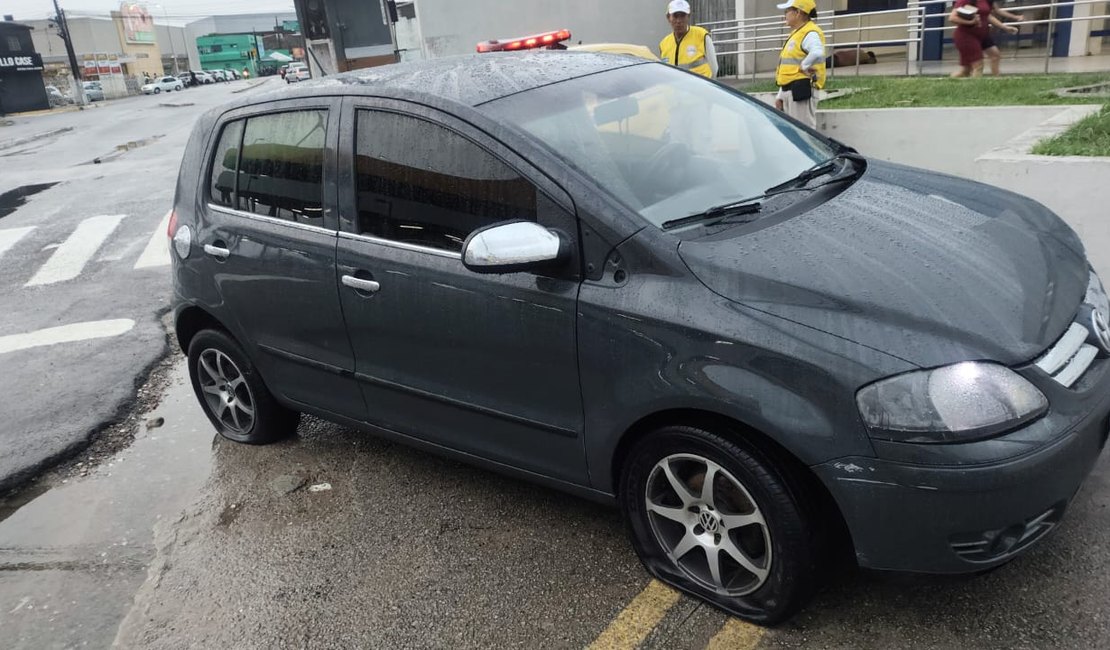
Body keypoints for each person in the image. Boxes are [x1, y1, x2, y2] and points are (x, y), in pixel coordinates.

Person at [773, 0, 826, 129]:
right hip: (790, 90)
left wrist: (804, 66)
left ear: (798, 13)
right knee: (795, 134)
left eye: (787, 11)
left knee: (804, 133)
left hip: (800, 89)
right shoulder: (797, 33)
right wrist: (781, 95)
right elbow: (788, 68)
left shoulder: (810, 32)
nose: (784, 15)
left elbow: (817, 52)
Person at [949, 0, 1019, 78]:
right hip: (967, 36)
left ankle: (997, 79)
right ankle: (976, 88)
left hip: (983, 35)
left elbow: (988, 16)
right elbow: (952, 18)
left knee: (994, 55)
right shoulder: (964, 1)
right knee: (978, 66)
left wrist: (1005, 27)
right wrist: (972, 22)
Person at [659, 0, 719, 79]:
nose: (679, 21)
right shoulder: (664, 44)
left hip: (699, 88)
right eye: (675, 16)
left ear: (688, 16)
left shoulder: (701, 35)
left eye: (683, 16)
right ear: (668, 18)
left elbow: (714, 68)